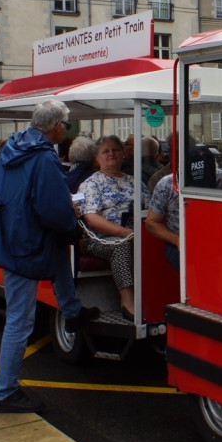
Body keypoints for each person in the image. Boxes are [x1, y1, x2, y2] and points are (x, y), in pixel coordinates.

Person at [0, 100, 94, 414]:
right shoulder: (43, 157)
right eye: (66, 125)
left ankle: (72, 311)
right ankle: (5, 392)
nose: (66, 131)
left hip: (13, 232)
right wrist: (72, 223)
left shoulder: (13, 147)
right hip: (26, 240)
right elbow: (53, 208)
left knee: (59, 256)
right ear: (56, 126)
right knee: (19, 321)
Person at [78, 135, 151, 320]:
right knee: (121, 245)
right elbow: (91, 218)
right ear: (97, 158)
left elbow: (150, 211)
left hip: (137, 235)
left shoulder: (135, 182)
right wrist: (126, 233)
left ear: (123, 154)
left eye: (116, 150)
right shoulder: (91, 184)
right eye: (106, 151)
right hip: (101, 240)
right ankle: (128, 302)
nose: (111, 154)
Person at [147, 143, 222, 270]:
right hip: (179, 241)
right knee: (195, 270)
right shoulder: (167, 184)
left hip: (213, 240)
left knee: (211, 271)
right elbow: (151, 222)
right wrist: (178, 240)